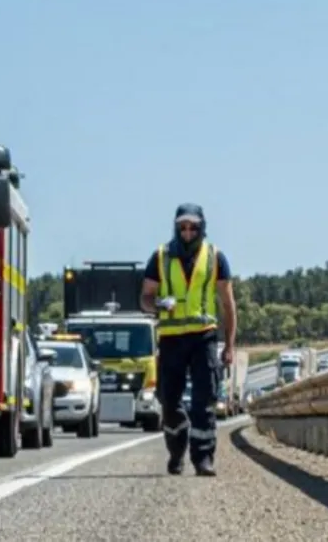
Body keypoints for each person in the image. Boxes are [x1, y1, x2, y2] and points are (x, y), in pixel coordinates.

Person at [140, 203, 237, 477]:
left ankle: (203, 457)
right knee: (169, 401)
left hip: (203, 336)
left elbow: (228, 305)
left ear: (202, 227)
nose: (187, 232)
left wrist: (229, 345)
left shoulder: (215, 258)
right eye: (182, 226)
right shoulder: (159, 257)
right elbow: (144, 299)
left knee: (204, 399)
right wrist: (158, 303)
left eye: (193, 227)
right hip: (171, 338)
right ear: (175, 227)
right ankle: (176, 450)